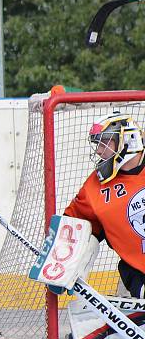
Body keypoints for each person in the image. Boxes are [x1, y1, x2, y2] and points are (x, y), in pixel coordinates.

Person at [63, 112, 145, 299]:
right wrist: (58, 259)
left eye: (105, 142)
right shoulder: (96, 184)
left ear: (128, 139)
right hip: (137, 273)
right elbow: (72, 227)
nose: (99, 151)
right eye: (97, 144)